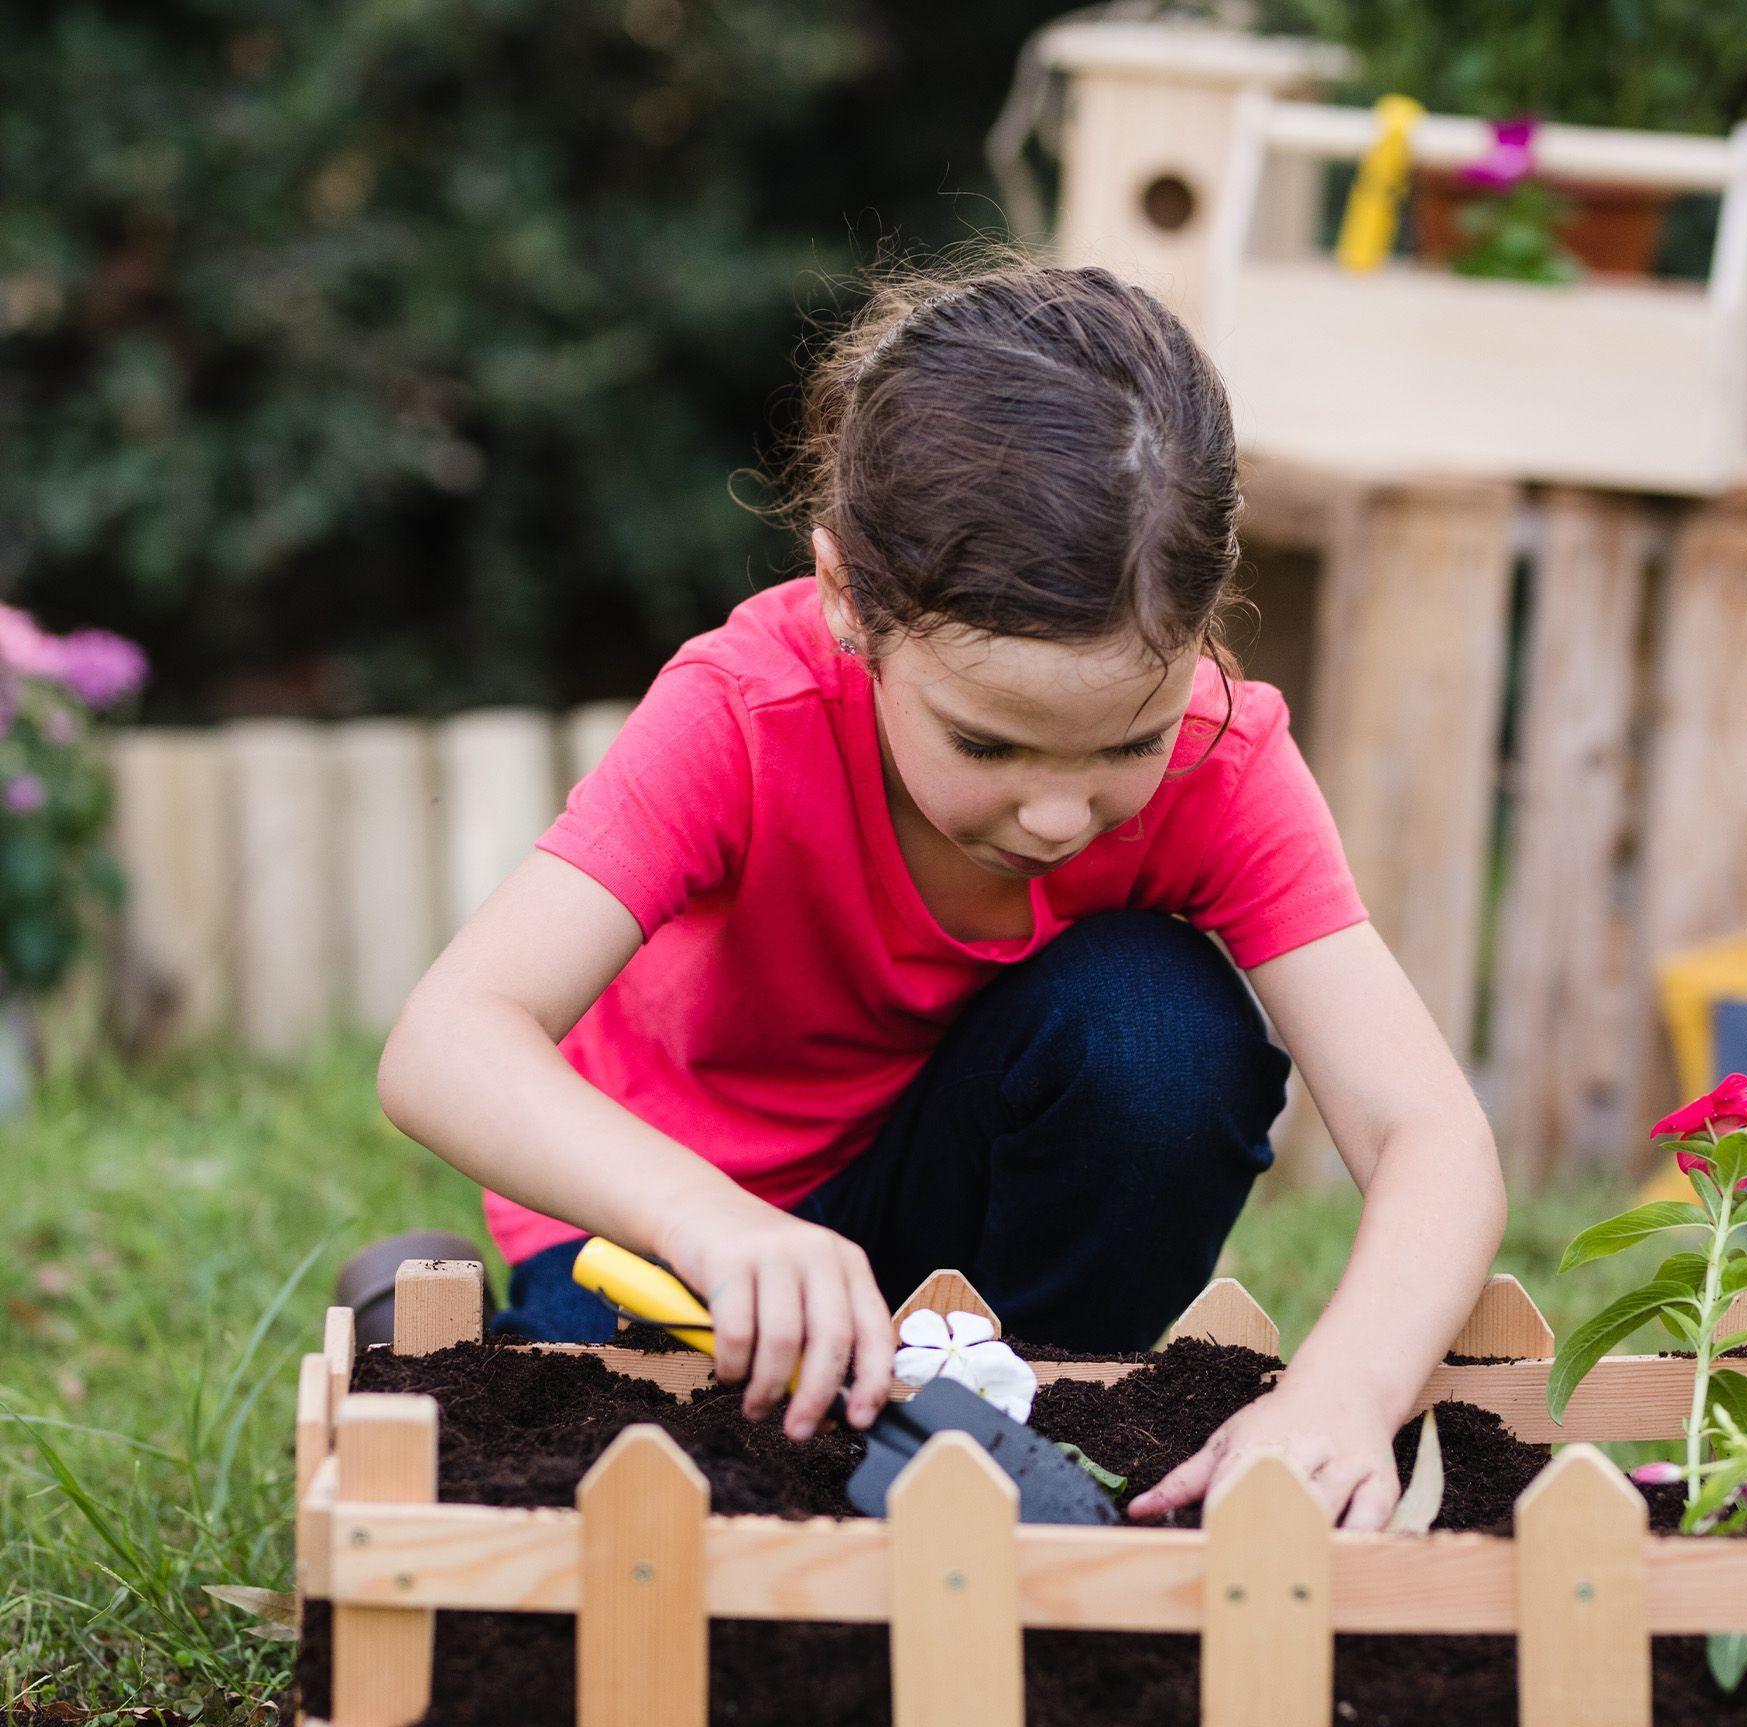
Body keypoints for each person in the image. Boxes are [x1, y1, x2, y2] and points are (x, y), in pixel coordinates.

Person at [369, 258, 1505, 1527]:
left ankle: (1021, 1423)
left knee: (1156, 1021)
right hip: (688, 1249)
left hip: (977, 1235)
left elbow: (1432, 1137)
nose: (1061, 812)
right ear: (850, 600)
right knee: (659, 1457)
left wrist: (1343, 1392)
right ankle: (429, 1312)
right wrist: (712, 1222)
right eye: (987, 744)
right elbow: (445, 1042)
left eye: (1127, 741)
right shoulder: (747, 712)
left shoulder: (1223, 758)